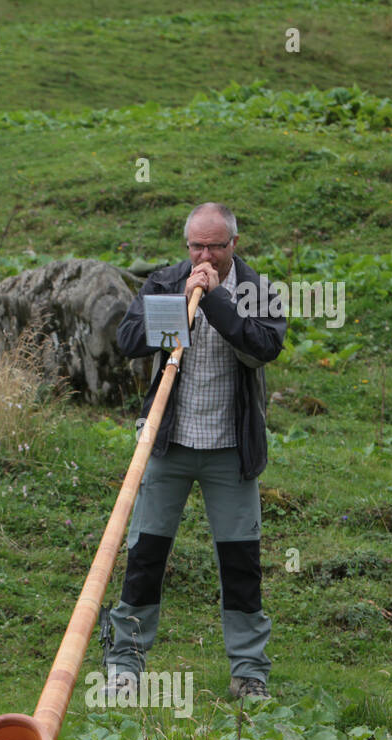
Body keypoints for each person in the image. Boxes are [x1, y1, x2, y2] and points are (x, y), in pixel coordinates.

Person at [107, 203, 285, 700]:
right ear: (187, 245)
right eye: (196, 246)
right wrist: (177, 306)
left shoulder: (257, 290)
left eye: (216, 247)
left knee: (241, 563)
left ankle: (249, 672)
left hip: (231, 449)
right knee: (145, 555)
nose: (205, 256)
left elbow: (264, 347)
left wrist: (214, 302)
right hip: (168, 444)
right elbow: (128, 340)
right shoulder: (165, 282)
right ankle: (125, 666)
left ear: (234, 244)